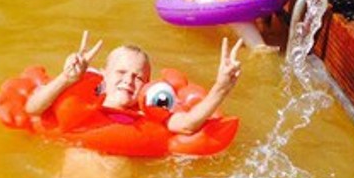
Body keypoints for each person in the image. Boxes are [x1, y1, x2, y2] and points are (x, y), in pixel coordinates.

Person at [22, 33, 242, 139]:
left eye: (138, 77)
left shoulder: (147, 113)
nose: (128, 80)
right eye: (121, 72)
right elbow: (33, 109)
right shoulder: (83, 102)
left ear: (146, 86)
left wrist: (221, 87)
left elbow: (187, 125)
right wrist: (66, 79)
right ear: (104, 75)